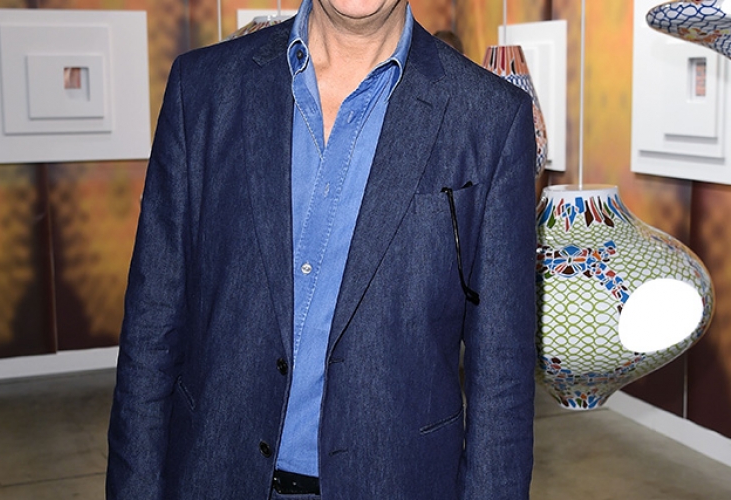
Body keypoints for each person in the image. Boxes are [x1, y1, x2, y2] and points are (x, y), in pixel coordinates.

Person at [106, 0, 537, 498]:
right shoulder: (203, 89)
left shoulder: (490, 119)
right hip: (213, 476)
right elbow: (151, 327)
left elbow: (502, 375)